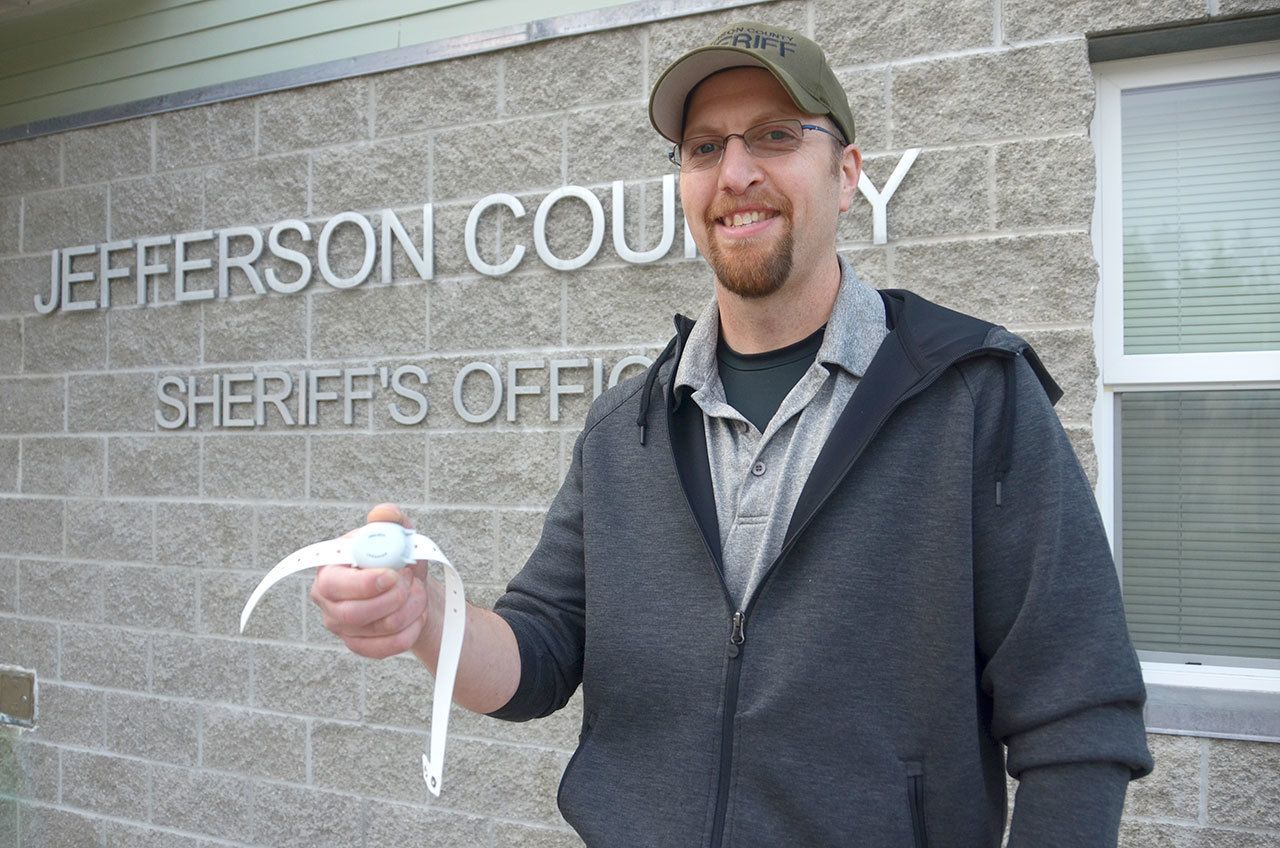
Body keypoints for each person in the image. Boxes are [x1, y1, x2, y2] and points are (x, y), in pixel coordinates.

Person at [310, 21, 1154, 847]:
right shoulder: (626, 427)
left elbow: (1078, 718)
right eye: (704, 148)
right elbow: (536, 656)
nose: (736, 172)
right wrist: (429, 616)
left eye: (775, 136)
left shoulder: (974, 396)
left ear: (847, 171)